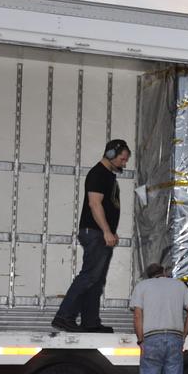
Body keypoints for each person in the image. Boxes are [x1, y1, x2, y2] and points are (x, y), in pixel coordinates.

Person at [53, 138, 131, 332]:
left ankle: (90, 322)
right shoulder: (98, 174)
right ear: (111, 154)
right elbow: (94, 204)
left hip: (100, 233)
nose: (124, 163)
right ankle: (64, 317)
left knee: (96, 280)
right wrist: (106, 230)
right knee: (89, 277)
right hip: (95, 233)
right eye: (122, 159)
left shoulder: (108, 175)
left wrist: (110, 231)